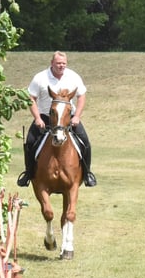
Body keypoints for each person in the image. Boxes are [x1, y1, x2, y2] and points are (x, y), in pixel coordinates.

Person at [18, 51, 97, 187]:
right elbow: (30, 97)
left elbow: (81, 96)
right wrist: (37, 118)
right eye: (58, 63)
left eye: (63, 63)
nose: (61, 66)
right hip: (45, 117)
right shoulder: (40, 78)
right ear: (52, 63)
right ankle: (28, 174)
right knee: (30, 142)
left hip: (67, 117)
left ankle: (87, 174)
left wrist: (77, 116)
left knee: (85, 142)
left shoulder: (73, 76)